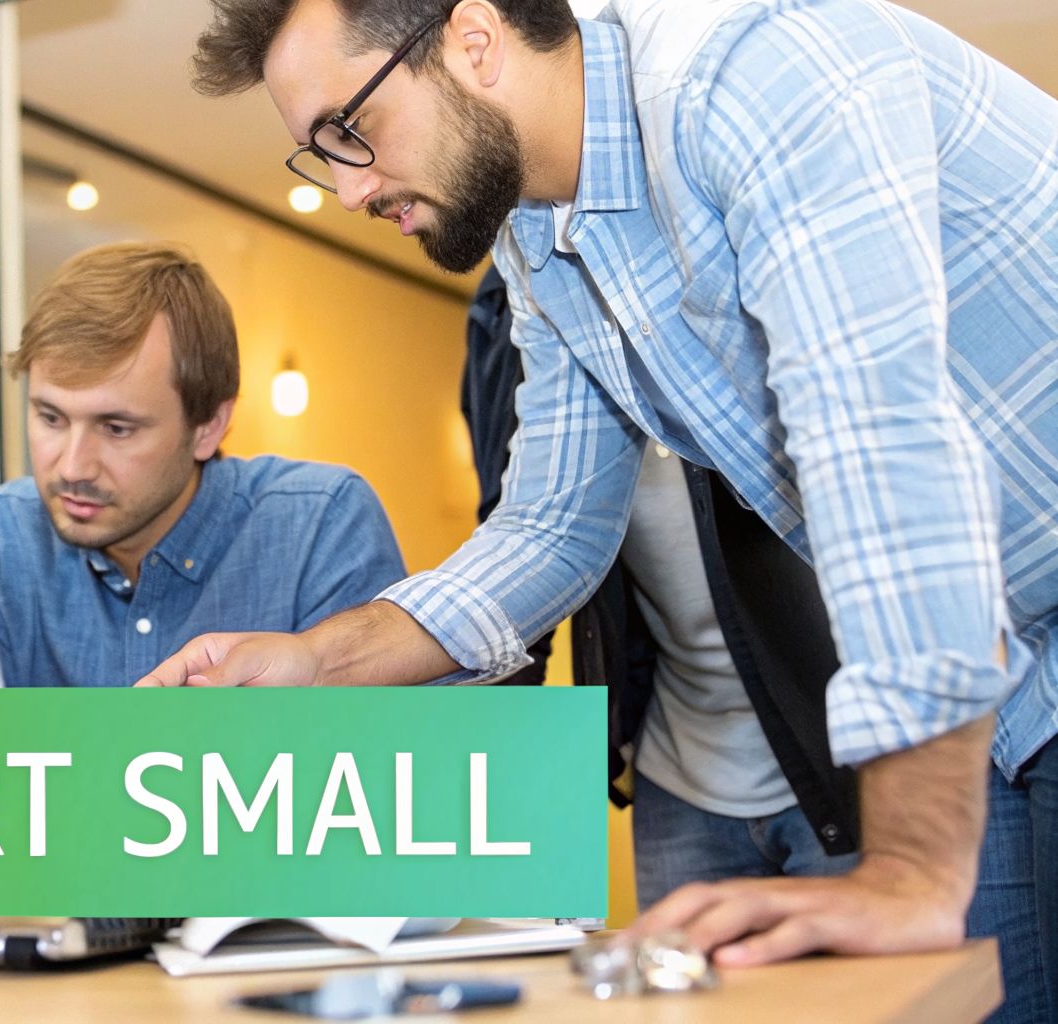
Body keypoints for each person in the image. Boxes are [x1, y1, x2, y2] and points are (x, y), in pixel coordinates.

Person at [145, 0, 1057, 1015]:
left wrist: (907, 869)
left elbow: (879, 445)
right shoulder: (538, 235)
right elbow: (551, 526)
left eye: (348, 132)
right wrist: (323, 657)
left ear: (473, 37)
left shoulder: (751, 69)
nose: (351, 188)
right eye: (320, 156)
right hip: (1002, 669)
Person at [466, 265, 858, 907]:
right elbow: (520, 545)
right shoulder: (515, 299)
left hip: (842, 757)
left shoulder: (734, 268)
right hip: (678, 774)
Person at [0, 241, 406, 687]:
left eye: (116, 429)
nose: (72, 468)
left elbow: (377, 754)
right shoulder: (2, 538)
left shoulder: (319, 526)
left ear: (208, 426)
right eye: (51, 418)